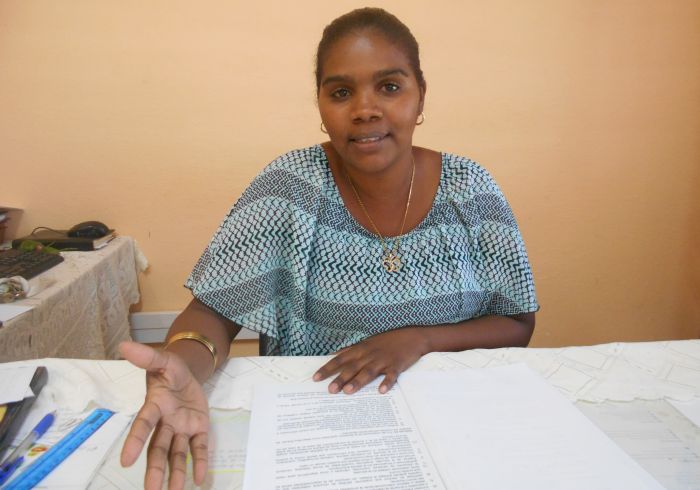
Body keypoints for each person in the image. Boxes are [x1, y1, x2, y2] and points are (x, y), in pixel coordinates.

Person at [119, 7, 539, 489]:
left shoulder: (471, 188)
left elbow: (518, 323)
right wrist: (183, 364)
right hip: (321, 437)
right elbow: (212, 312)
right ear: (320, 106)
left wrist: (419, 339)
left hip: (454, 432)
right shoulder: (290, 189)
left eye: (390, 86)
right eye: (341, 92)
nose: (365, 109)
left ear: (421, 94)